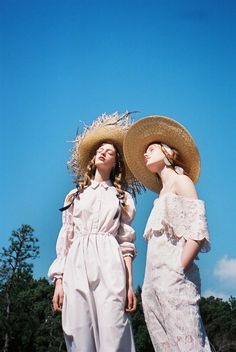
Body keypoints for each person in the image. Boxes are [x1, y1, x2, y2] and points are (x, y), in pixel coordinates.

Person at [48, 112, 142, 352]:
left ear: (116, 162)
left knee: (114, 328)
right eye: (100, 148)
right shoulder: (74, 196)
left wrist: (130, 284)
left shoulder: (122, 198)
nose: (103, 152)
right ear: (93, 157)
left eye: (109, 151)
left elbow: (126, 243)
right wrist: (59, 281)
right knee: (79, 332)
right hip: (77, 263)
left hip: (110, 262)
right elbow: (65, 239)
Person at [124, 115, 211, 351]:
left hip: (174, 282)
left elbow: (197, 232)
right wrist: (152, 285)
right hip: (152, 288)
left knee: (189, 344)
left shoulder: (182, 182)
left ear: (168, 152)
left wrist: (177, 270)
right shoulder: (158, 199)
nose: (145, 153)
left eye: (152, 149)